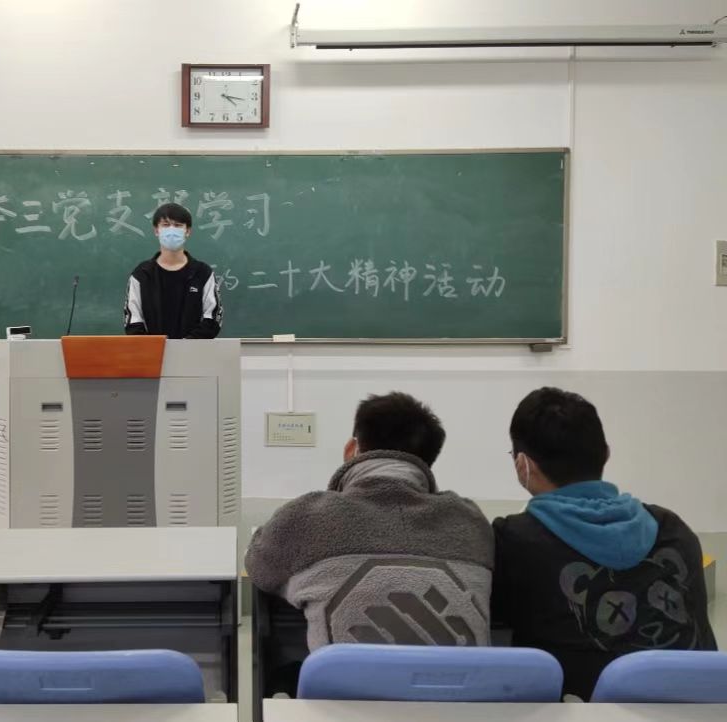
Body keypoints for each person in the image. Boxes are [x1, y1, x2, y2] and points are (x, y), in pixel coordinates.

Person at [492, 387, 717, 700]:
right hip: (690, 711)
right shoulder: (674, 530)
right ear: (606, 454)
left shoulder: (512, 540)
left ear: (522, 465)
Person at [246, 392, 494, 656]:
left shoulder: (306, 516)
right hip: (462, 684)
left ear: (351, 449)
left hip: (342, 683)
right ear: (428, 461)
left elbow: (258, 567)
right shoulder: (472, 522)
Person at [123, 202, 222, 339]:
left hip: (194, 350)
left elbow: (212, 319)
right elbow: (133, 321)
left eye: (178, 225)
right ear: (156, 230)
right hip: (153, 351)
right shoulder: (142, 274)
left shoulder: (203, 273)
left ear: (188, 231)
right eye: (165, 225)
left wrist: (185, 345)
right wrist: (153, 347)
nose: (171, 230)